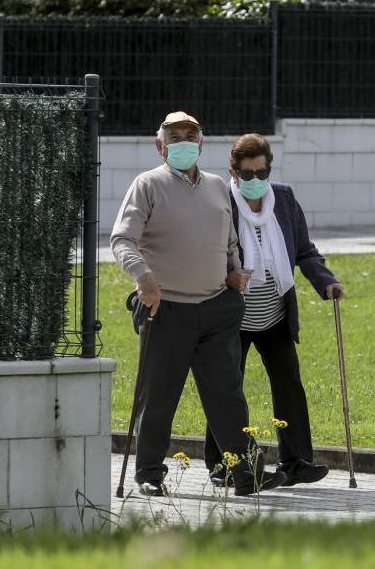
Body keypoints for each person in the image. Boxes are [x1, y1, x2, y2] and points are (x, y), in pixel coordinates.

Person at [111, 112, 287, 496]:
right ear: (161, 146)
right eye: (175, 136)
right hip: (166, 309)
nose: (184, 141)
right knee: (158, 396)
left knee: (228, 397)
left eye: (191, 134)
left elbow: (228, 242)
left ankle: (245, 475)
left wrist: (234, 274)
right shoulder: (147, 185)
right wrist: (143, 278)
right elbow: (122, 240)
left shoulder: (217, 187)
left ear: (202, 142)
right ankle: (149, 475)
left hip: (216, 310)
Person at [202, 133, 344, 487]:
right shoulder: (221, 201)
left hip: (275, 315)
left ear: (269, 170)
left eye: (261, 174)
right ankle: (224, 464)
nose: (254, 182)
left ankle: (296, 461)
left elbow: (305, 251)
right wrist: (229, 276)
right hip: (234, 316)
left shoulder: (283, 197)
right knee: (227, 390)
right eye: (247, 175)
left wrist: (326, 281)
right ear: (232, 172)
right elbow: (207, 257)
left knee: (289, 385)